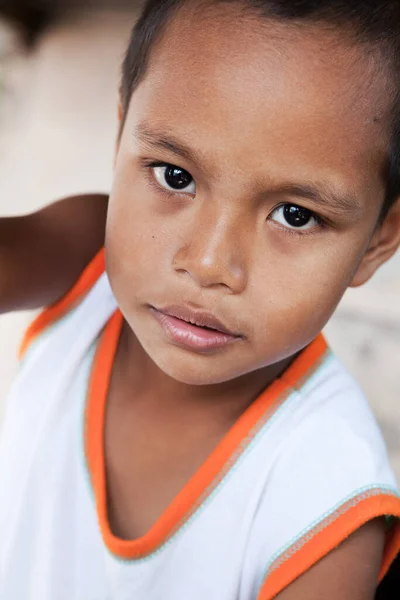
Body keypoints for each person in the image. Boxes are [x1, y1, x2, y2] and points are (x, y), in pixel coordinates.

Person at [0, 0, 400, 598]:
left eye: (295, 215)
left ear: (378, 242)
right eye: (174, 176)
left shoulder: (326, 503)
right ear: (120, 140)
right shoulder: (86, 259)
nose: (210, 263)